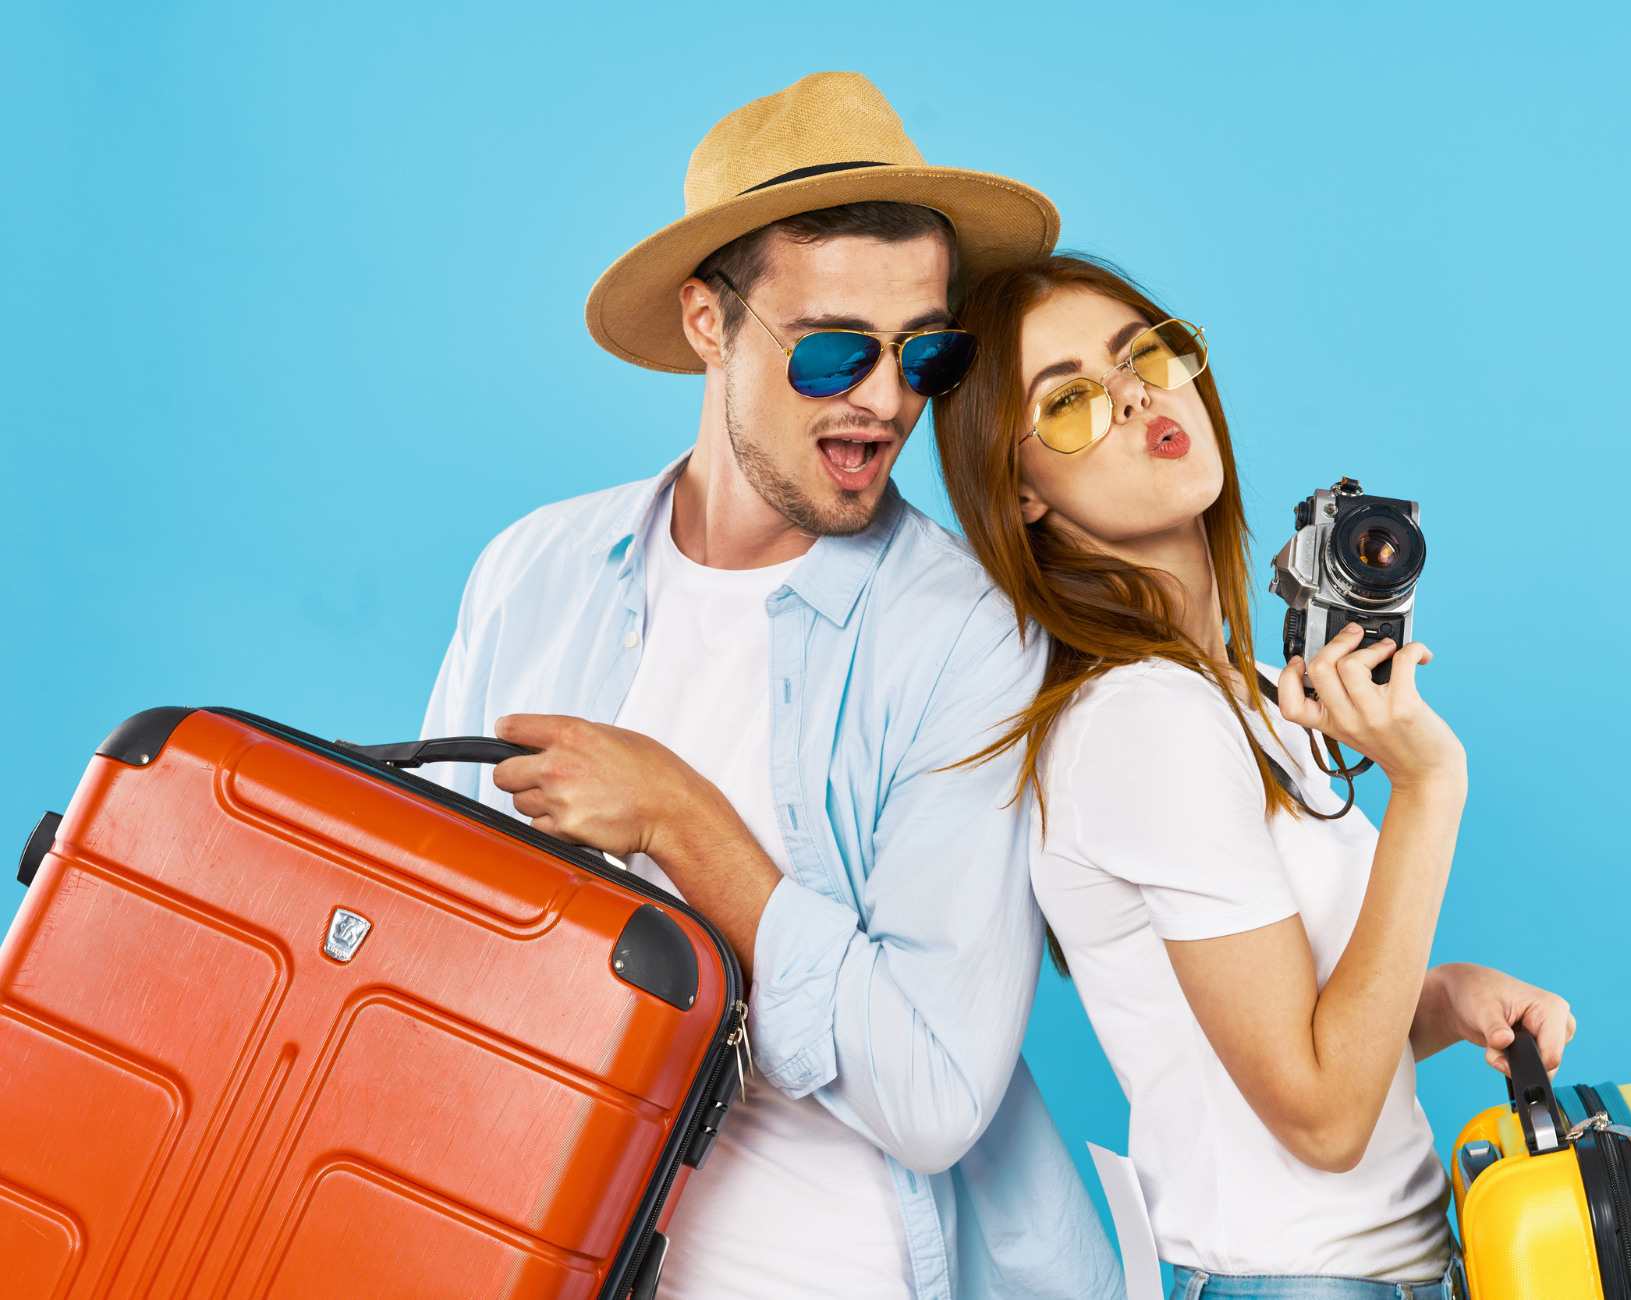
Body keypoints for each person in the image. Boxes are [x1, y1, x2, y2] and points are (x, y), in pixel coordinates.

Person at [420, 75, 1120, 1300]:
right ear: (708, 322)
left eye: (929, 352)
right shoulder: (531, 571)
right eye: (836, 348)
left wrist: (686, 824)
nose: (887, 398)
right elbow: (435, 950)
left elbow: (936, 1094)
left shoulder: (963, 642)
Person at [932, 254, 1577, 1300]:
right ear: (1021, 493)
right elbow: (1322, 1115)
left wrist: (1444, 1002)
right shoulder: (1145, 718)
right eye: (1068, 403)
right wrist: (1426, 789)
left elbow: (1292, 1041)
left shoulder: (1246, 694)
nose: (1137, 393)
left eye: (1141, 353)